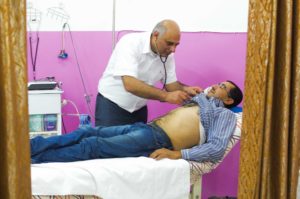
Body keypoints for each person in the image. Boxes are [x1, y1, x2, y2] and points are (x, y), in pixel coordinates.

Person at [31, 80, 243, 164]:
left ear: (229, 100)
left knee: (92, 146)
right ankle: (28, 148)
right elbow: (176, 90)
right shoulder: (203, 103)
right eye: (217, 83)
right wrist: (198, 94)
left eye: (222, 87)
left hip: (159, 139)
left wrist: (177, 154)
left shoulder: (224, 115)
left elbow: (216, 148)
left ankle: (32, 161)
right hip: (147, 128)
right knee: (85, 132)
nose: (216, 85)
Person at [95, 19, 202, 126]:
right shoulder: (130, 43)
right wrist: (166, 96)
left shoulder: (167, 54)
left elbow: (171, 85)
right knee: (106, 141)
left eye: (176, 45)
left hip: (139, 110)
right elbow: (130, 84)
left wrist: (186, 89)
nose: (173, 49)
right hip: (112, 106)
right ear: (155, 35)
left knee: (139, 142)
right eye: (169, 43)